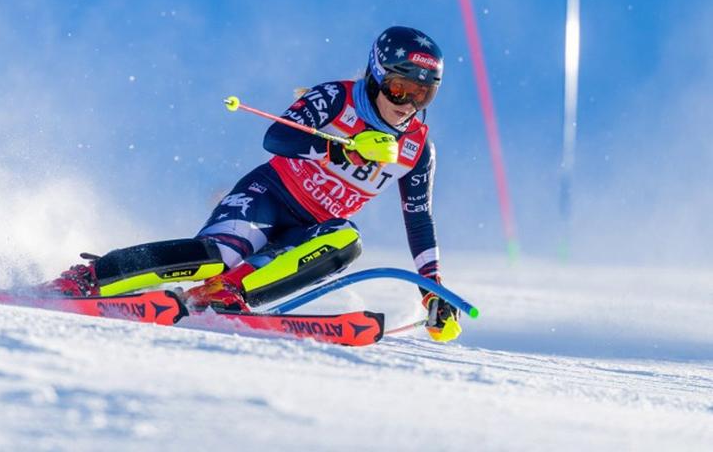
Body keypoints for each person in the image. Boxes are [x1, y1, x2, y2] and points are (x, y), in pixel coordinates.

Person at [42, 26, 461, 342]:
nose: (406, 105)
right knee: (218, 255)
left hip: (310, 230)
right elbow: (276, 138)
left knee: (347, 240)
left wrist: (432, 289)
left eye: (422, 96)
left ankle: (223, 295)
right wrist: (340, 150)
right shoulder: (337, 97)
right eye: (399, 88)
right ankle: (91, 277)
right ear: (375, 74)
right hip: (269, 198)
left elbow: (419, 218)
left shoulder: (418, 148)